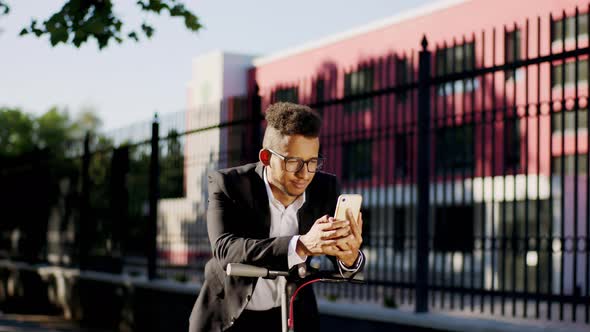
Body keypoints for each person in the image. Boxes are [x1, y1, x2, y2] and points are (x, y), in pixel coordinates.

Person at [188, 102, 365, 332]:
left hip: (292, 314)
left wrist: (349, 257)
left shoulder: (325, 188)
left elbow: (344, 265)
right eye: (293, 162)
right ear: (265, 157)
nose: (304, 174)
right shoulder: (227, 185)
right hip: (228, 318)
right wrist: (300, 245)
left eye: (313, 162)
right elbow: (225, 249)